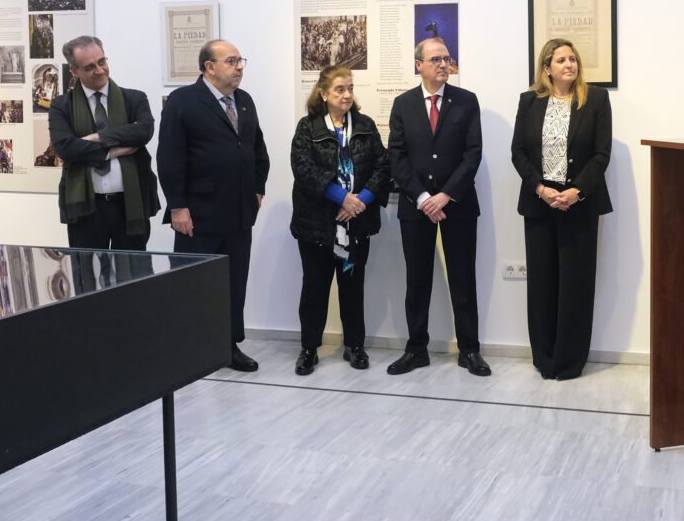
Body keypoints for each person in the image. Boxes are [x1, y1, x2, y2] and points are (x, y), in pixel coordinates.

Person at [157, 40, 270, 372]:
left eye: (240, 60)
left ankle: (228, 346)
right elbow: (170, 157)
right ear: (209, 67)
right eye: (231, 61)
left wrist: (258, 188)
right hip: (198, 213)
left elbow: (257, 149)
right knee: (195, 284)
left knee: (235, 282)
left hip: (238, 212)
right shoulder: (183, 101)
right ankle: (191, 350)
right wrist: (178, 206)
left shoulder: (244, 101)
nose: (239, 67)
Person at [386, 37, 490, 376]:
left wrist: (445, 195)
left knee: (463, 277)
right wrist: (422, 198)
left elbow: (473, 153)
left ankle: (469, 351)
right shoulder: (403, 104)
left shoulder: (466, 101)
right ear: (419, 65)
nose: (443, 64)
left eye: (447, 58)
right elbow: (397, 157)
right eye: (435, 59)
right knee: (417, 281)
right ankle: (416, 349)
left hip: (457, 205)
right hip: (415, 207)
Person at [510, 38, 612, 380]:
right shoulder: (529, 101)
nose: (569, 64)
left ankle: (569, 362)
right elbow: (518, 152)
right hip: (540, 205)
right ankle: (545, 357)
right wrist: (540, 189)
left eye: (573, 59)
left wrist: (576, 191)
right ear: (546, 68)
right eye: (561, 60)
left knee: (576, 284)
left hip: (579, 205)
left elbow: (601, 155)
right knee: (541, 283)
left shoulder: (596, 99)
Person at [289, 65, 390, 374]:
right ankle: (309, 349)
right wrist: (340, 197)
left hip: (356, 225)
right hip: (318, 226)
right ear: (323, 93)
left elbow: (383, 168)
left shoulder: (365, 125)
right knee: (315, 289)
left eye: (350, 88)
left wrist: (359, 201)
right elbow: (303, 170)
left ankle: (354, 346)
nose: (347, 95)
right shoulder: (308, 127)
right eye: (340, 89)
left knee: (352, 288)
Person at [48, 35, 160, 250]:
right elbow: (65, 147)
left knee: (134, 276)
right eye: (89, 67)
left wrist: (98, 137)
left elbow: (144, 131)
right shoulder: (62, 106)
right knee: (87, 276)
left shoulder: (134, 99)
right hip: (86, 208)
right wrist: (112, 152)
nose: (99, 70)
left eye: (102, 62)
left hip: (131, 203)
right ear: (74, 71)